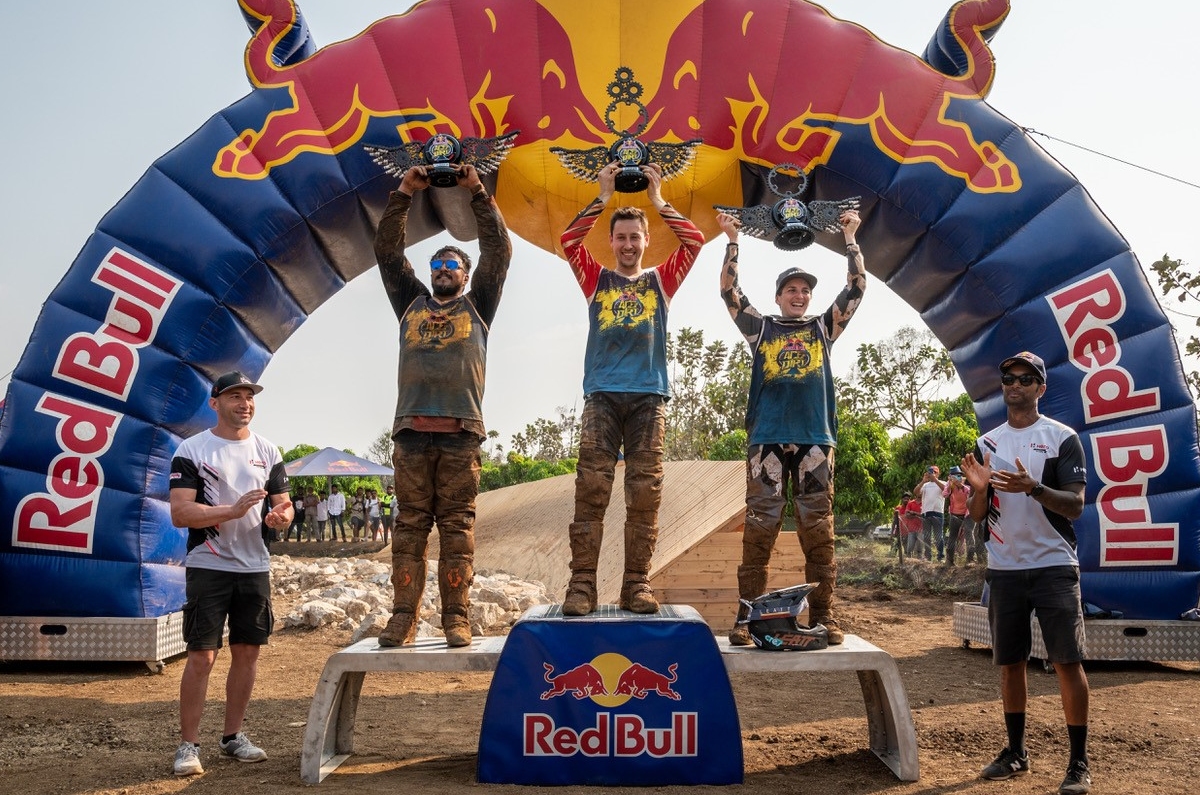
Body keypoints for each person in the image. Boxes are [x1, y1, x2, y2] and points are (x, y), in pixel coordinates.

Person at [373, 161, 512, 647]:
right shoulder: (410, 302)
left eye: (451, 265)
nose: (441, 271)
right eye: (436, 266)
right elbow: (388, 253)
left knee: (457, 530)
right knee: (409, 528)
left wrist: (478, 190)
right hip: (411, 430)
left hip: (460, 430)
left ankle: (456, 616)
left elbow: (499, 249)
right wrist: (403, 194)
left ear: (466, 273)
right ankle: (403, 618)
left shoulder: (479, 304)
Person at [559, 161, 705, 616]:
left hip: (649, 399)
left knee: (644, 494)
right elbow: (568, 241)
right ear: (611, 242)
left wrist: (658, 201)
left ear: (645, 241)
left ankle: (636, 585)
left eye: (634, 237)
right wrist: (602, 198)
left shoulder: (661, 280)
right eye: (619, 237)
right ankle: (581, 586)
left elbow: (695, 241)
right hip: (601, 395)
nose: (627, 244)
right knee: (591, 489)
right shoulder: (594, 279)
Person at [717, 208, 863, 646]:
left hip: (815, 439)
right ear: (779, 296)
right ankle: (746, 619)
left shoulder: (824, 328)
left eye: (804, 290)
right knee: (760, 528)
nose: (799, 296)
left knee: (818, 530)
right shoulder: (761, 329)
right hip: (766, 440)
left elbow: (856, 288)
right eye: (791, 290)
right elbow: (729, 292)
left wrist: (851, 238)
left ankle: (824, 616)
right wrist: (733, 241)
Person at [959, 351, 1091, 795]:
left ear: (1040, 387)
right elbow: (978, 515)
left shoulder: (1061, 438)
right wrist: (979, 491)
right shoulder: (987, 443)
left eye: (1025, 378)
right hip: (1005, 569)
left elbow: (1075, 505)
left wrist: (1033, 488)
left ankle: (1078, 764)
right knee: (1010, 664)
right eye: (1008, 378)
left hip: (1054, 565)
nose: (1014, 385)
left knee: (1066, 663)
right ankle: (1016, 753)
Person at [167, 371, 293, 776]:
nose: (245, 403)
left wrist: (280, 518)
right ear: (214, 402)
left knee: (248, 653)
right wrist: (232, 511)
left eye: (250, 396)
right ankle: (188, 746)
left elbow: (285, 505)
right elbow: (180, 512)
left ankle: (233, 737)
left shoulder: (268, 450)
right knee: (202, 656)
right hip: (209, 564)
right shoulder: (193, 449)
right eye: (235, 396)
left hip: (255, 566)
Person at [917, 465, 947, 561]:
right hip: (926, 513)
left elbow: (946, 490)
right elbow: (916, 492)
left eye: (933, 472)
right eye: (930, 472)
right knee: (927, 536)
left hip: (938, 512)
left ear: (938, 473)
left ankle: (940, 556)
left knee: (939, 536)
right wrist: (923, 481)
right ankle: (928, 556)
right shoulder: (925, 485)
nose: (931, 474)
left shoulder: (943, 482)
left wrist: (935, 480)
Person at [944, 466, 972, 566]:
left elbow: (970, 500)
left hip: (967, 516)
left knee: (969, 536)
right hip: (954, 515)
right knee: (952, 537)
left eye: (960, 476)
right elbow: (945, 494)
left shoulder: (967, 488)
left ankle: (970, 560)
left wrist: (960, 485)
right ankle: (949, 561)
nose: (958, 478)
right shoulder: (950, 486)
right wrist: (950, 484)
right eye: (956, 476)